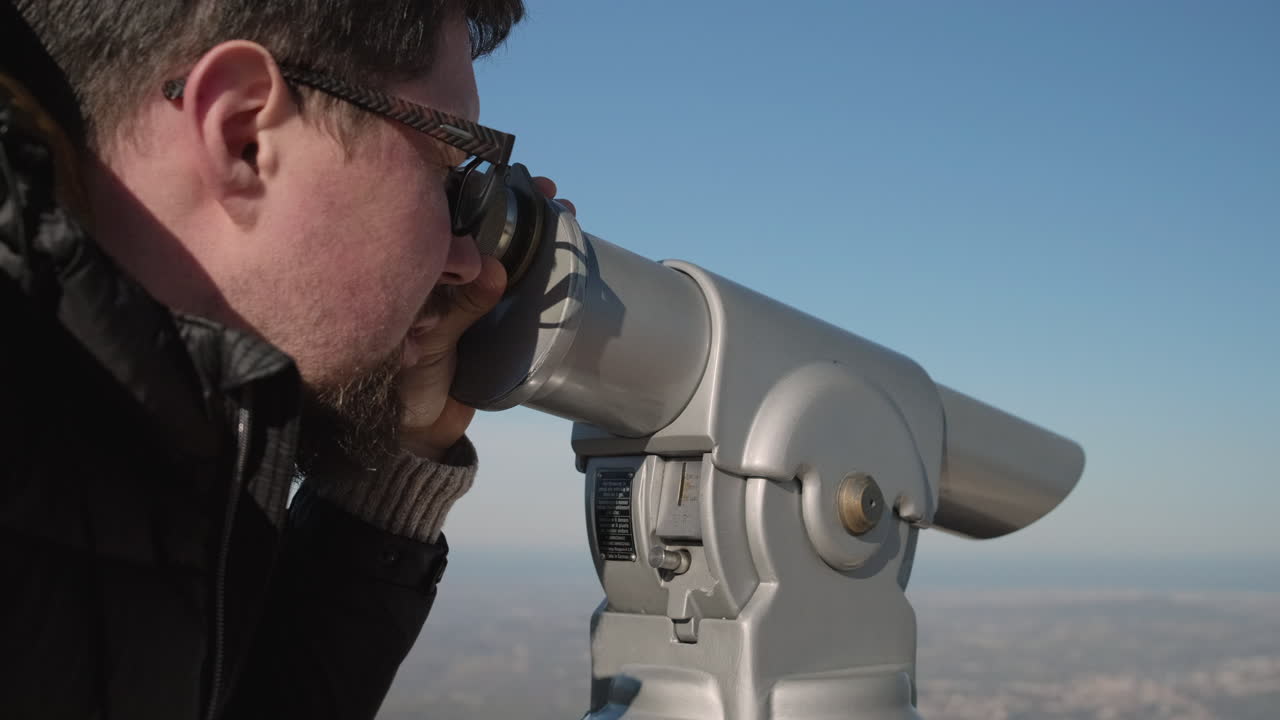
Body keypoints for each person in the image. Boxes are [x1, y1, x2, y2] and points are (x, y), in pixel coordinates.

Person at [0, 1, 566, 717]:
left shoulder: (111, 437)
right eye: (447, 172)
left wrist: (401, 451)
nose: (463, 260)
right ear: (243, 134)